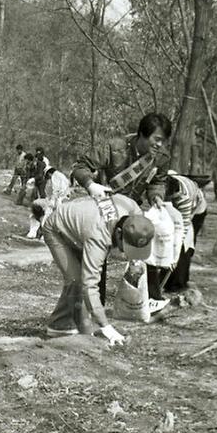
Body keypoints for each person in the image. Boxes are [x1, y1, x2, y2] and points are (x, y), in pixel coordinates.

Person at [72, 112, 172, 302]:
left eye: (164, 141)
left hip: (131, 208)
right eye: (157, 139)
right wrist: (91, 185)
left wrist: (157, 197)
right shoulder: (115, 147)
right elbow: (80, 166)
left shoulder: (161, 157)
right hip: (106, 206)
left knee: (146, 239)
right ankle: (94, 302)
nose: (160, 145)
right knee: (97, 255)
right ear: (142, 134)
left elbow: (158, 182)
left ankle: (149, 299)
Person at [41, 194, 155, 344]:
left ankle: (61, 323)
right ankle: (63, 328)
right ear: (119, 233)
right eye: (125, 247)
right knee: (76, 279)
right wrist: (106, 326)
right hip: (57, 228)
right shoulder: (98, 237)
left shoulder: (133, 209)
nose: (124, 253)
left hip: (83, 223)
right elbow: (90, 284)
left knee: (78, 278)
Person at [163, 172, 207, 292]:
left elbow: (183, 228)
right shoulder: (164, 182)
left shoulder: (184, 197)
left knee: (184, 247)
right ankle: (165, 277)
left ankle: (178, 283)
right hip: (174, 211)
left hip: (196, 211)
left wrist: (176, 251)